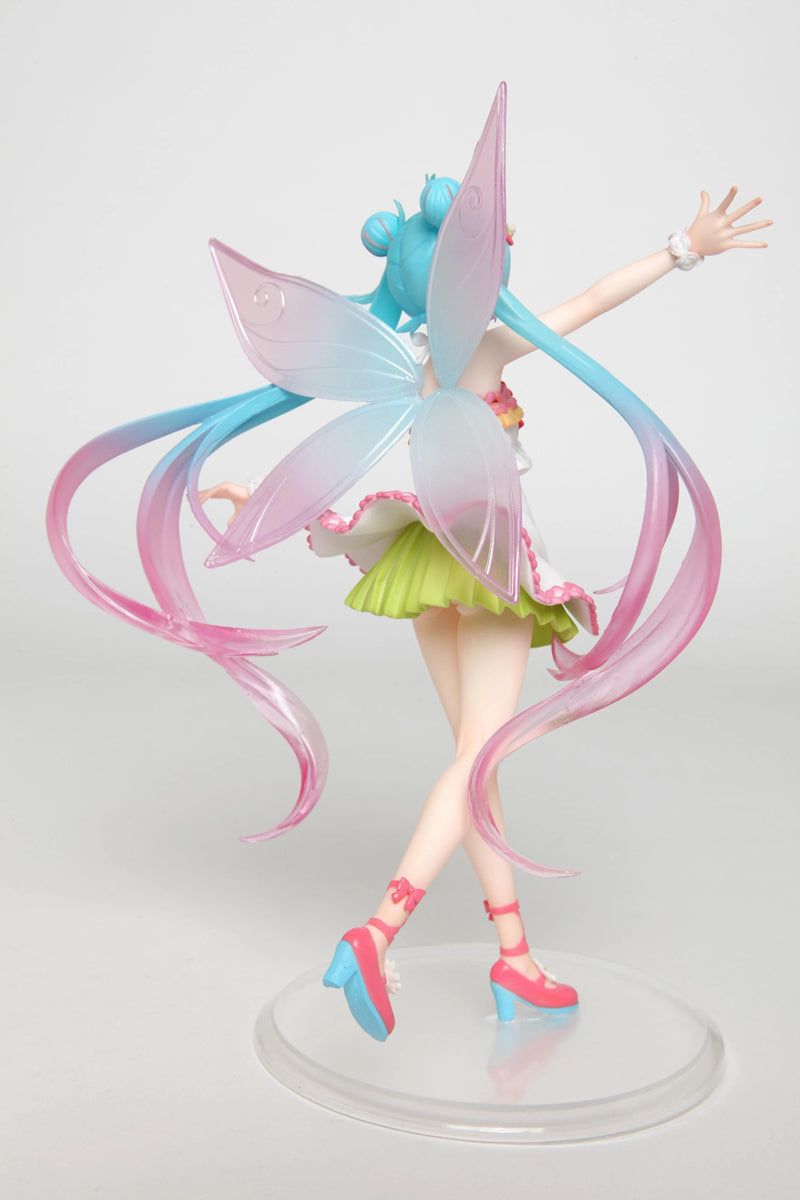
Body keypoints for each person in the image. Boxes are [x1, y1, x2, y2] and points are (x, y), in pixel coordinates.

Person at [47, 86, 769, 1042]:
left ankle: (515, 959)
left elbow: (336, 434)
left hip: (428, 560)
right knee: (477, 760)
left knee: (476, 765)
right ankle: (377, 934)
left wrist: (256, 494)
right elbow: (592, 299)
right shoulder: (491, 345)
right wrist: (682, 249)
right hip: (491, 567)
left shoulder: (411, 358)